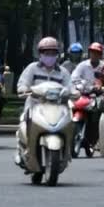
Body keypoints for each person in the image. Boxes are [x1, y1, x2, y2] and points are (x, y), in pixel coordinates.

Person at [16, 37, 72, 165]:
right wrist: (24, 89)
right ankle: (26, 150)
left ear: (57, 55)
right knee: (26, 123)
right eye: (46, 53)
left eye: (53, 53)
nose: (50, 56)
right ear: (40, 54)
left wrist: (72, 92)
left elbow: (70, 86)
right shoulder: (32, 68)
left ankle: (67, 151)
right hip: (35, 106)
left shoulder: (62, 72)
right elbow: (23, 83)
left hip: (57, 107)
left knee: (70, 123)